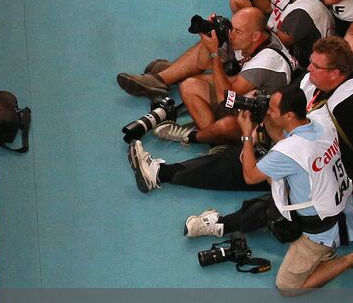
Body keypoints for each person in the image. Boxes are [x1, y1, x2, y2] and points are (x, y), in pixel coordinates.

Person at [183, 85, 353, 295]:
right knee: (276, 181)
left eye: (272, 109)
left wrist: (246, 134)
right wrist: (269, 123)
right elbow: (289, 147)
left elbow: (250, 176)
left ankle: (348, 259)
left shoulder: (288, 152)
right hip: (341, 201)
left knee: (287, 288)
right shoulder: (321, 123)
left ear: (289, 115)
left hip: (320, 228)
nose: (268, 111)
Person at [129, 36, 353, 193]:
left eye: (316, 66)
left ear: (335, 73)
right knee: (241, 140)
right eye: (310, 63)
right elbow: (290, 105)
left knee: (235, 165)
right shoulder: (310, 80)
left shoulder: (343, 110)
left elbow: (318, 151)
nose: (309, 68)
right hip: (290, 138)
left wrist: (256, 136)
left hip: (317, 168)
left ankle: (158, 174)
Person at [140, 7, 293, 145]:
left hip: (261, 123)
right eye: (232, 28)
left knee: (224, 125)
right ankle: (213, 137)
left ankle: (195, 136)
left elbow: (225, 98)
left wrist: (214, 53)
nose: (231, 35)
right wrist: (206, 39)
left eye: (237, 32)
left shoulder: (268, 59)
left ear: (255, 36)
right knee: (189, 84)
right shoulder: (245, 37)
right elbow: (201, 64)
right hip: (245, 95)